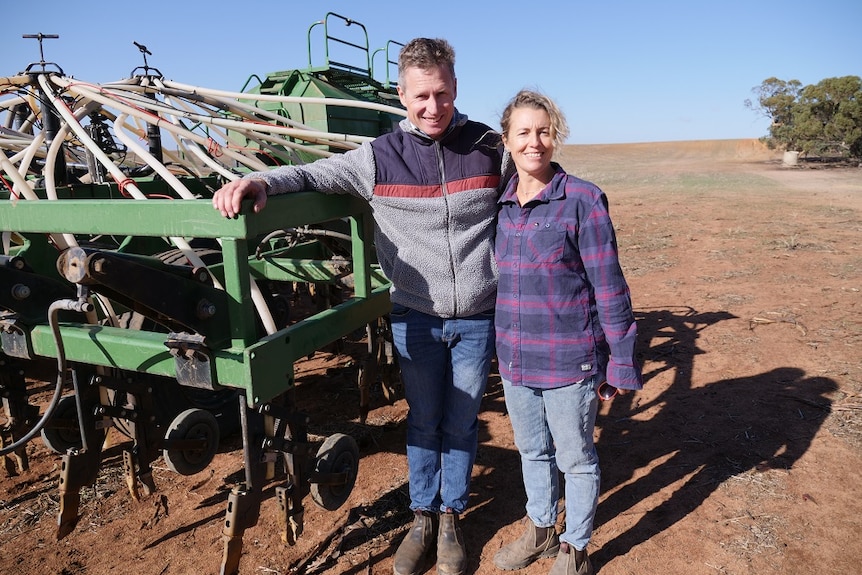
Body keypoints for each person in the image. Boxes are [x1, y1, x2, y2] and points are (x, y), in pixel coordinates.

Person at [212, 38, 506, 575]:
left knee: (462, 423)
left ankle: (451, 519)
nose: (432, 107)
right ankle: (422, 516)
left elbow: (535, 184)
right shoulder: (378, 158)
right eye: (420, 96)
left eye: (441, 93)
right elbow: (307, 175)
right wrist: (257, 180)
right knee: (425, 419)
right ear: (401, 95)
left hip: (477, 317)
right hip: (416, 316)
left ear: (456, 88)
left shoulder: (489, 147)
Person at [491, 90, 644, 575]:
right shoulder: (501, 203)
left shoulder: (583, 198)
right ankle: (540, 529)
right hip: (514, 359)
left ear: (555, 136)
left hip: (568, 360)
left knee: (575, 458)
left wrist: (619, 360)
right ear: (507, 140)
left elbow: (609, 286)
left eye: (543, 131)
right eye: (523, 132)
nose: (534, 142)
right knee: (532, 451)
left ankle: (575, 546)